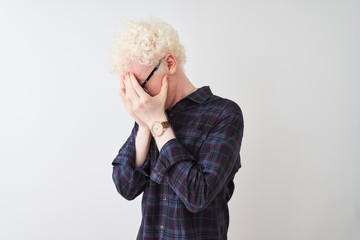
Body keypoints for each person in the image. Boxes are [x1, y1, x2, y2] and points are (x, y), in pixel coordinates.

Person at [108, 17, 244, 240]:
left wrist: (157, 124)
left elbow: (197, 195)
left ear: (169, 64)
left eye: (140, 85)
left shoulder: (224, 114)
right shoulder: (151, 113)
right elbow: (126, 186)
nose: (138, 96)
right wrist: (143, 126)